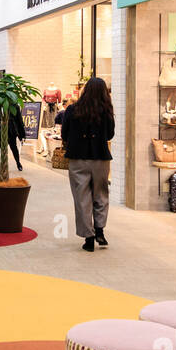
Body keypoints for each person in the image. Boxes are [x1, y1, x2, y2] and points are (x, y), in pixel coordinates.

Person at [61, 75, 115, 253]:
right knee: (101, 194)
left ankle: (88, 237)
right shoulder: (106, 111)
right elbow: (110, 135)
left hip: (78, 158)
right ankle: (100, 230)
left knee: (82, 197)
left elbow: (64, 133)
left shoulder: (72, 110)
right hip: (100, 158)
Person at [0, 100, 24, 172]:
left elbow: (19, 119)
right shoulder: (0, 105)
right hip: (2, 130)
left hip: (11, 130)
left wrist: (22, 133)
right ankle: (3, 166)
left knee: (14, 148)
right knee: (3, 149)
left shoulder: (15, 105)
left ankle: (18, 163)